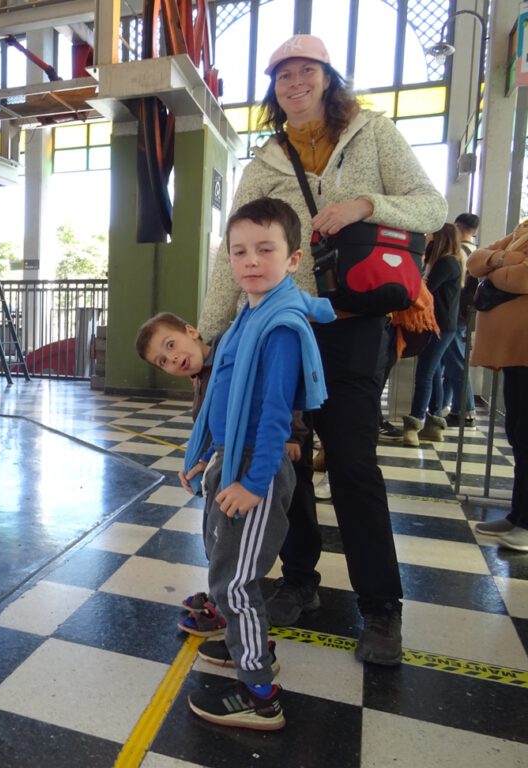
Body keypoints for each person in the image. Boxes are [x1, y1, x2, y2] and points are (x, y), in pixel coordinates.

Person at [197, 34, 447, 666]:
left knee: (354, 463)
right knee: (287, 456)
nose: (295, 83)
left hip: (352, 320)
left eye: (306, 71)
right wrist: (209, 330)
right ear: (274, 91)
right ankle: (300, 580)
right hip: (280, 324)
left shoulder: (373, 134)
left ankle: (381, 608)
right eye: (283, 76)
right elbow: (232, 251)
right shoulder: (264, 161)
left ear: (329, 78)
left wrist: (367, 203)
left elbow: (433, 207)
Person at [182, 197, 333, 731]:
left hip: (255, 469)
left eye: (265, 250)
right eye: (239, 251)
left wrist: (253, 482)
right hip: (232, 460)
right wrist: (204, 454)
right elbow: (222, 396)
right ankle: (244, 644)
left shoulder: (281, 325)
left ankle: (260, 692)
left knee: (237, 582)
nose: (250, 261)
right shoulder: (248, 316)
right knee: (223, 563)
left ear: (292, 259)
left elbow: (273, 418)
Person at [135, 312, 308, 640]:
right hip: (227, 463)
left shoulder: (230, 356)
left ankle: (237, 621)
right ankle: (220, 597)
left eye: (171, 345)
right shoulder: (202, 374)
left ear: (191, 330)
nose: (172, 358)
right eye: (162, 361)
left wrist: (293, 435)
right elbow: (215, 426)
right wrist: (200, 462)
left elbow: (278, 388)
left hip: (254, 463)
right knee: (218, 536)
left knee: (238, 546)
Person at [468, 220, 528, 551]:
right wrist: (501, 260)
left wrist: (497, 263)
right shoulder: (525, 227)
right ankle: (518, 513)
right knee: (518, 434)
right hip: (516, 354)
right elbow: (476, 259)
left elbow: (523, 278)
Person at [403, 223, 461, 447]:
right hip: (443, 325)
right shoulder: (451, 261)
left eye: (430, 235)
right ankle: (435, 423)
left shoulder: (445, 263)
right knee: (434, 371)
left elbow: (425, 288)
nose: (426, 238)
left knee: (425, 373)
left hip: (440, 326)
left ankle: (414, 423)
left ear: (439, 238)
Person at [438, 212, 480, 426]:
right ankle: (446, 405)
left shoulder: (457, 252)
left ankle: (466, 410)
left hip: (453, 314)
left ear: (457, 226)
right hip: (466, 314)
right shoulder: (477, 252)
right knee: (450, 360)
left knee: (455, 361)